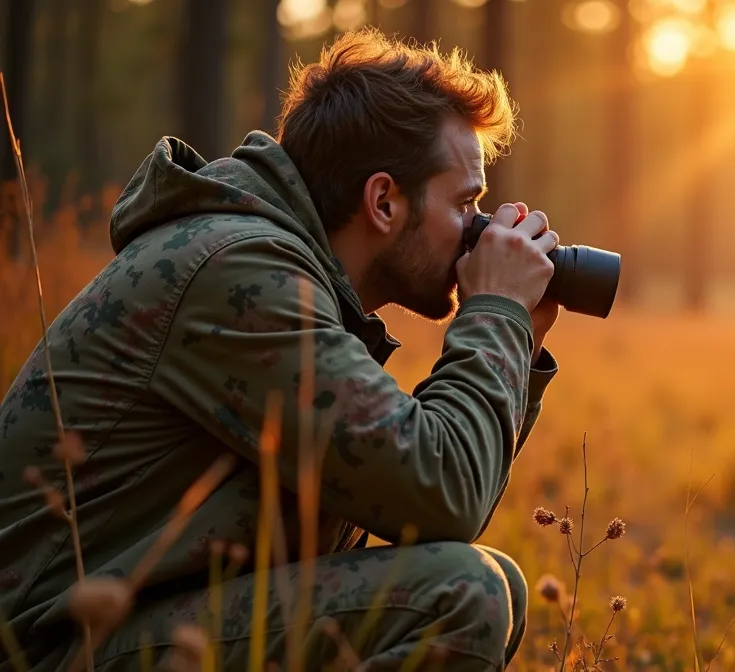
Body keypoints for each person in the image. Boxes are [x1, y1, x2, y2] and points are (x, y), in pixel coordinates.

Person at [0, 27, 560, 671]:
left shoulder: (281, 269)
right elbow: (443, 494)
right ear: (383, 200)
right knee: (464, 595)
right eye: (466, 203)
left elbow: (425, 514)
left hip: (119, 628)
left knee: (492, 585)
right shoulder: (238, 272)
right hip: (47, 649)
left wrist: (519, 336)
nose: (480, 229)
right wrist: (496, 314)